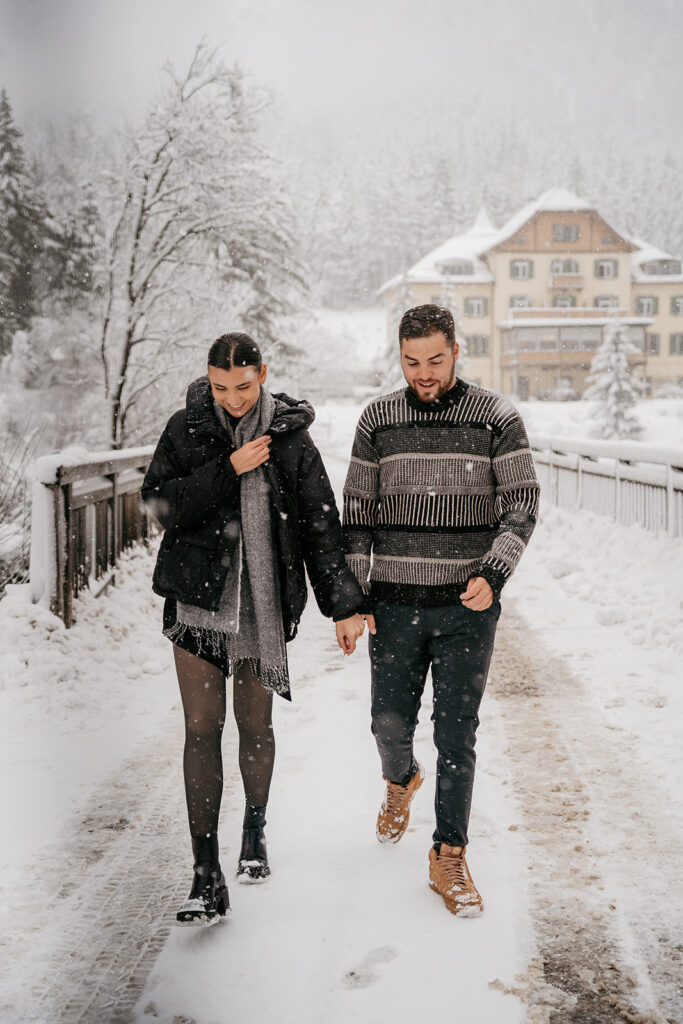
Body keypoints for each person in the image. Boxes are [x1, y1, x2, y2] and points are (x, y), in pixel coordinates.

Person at [142, 333, 365, 926]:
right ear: (207, 379)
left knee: (254, 724)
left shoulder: (291, 438)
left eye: (244, 386)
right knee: (199, 730)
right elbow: (159, 505)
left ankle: (255, 828)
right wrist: (226, 470)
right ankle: (204, 873)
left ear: (263, 374)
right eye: (221, 387)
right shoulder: (185, 428)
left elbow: (320, 524)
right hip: (197, 602)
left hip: (261, 607)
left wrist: (342, 605)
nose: (234, 398)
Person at [342, 304, 539, 916]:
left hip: (465, 609)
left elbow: (522, 504)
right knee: (389, 724)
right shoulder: (377, 421)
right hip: (395, 606)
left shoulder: (497, 418)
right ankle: (400, 779)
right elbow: (357, 516)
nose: (423, 374)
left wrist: (494, 571)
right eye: (410, 362)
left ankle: (448, 853)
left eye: (434, 360)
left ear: (456, 351)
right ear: (397, 357)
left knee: (457, 734)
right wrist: (351, 598)